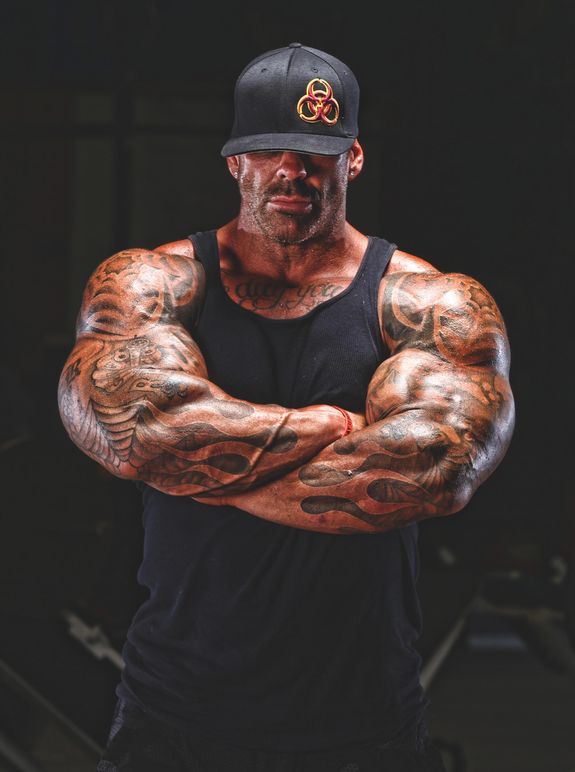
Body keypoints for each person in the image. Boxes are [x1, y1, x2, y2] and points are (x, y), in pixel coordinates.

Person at [58, 42, 515, 772]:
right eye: (268, 149)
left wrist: (200, 464)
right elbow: (133, 434)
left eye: (315, 154)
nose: (290, 171)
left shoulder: (430, 303)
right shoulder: (153, 284)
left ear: (352, 159)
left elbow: (434, 471)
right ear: (235, 162)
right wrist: (323, 427)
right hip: (176, 711)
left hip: (363, 718)